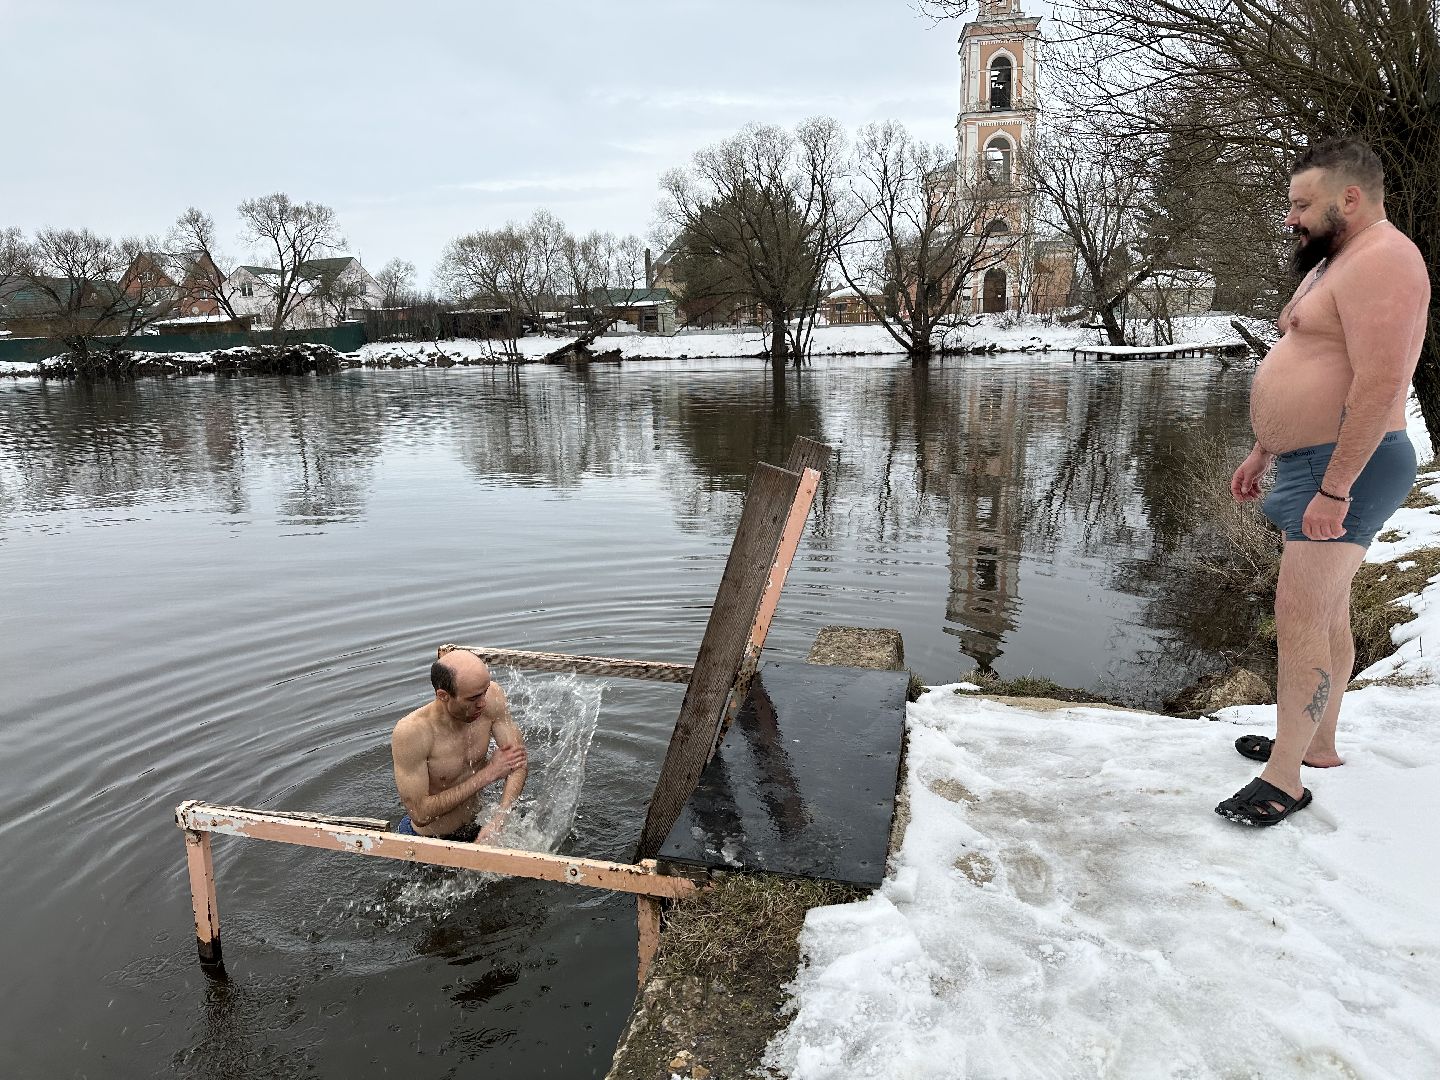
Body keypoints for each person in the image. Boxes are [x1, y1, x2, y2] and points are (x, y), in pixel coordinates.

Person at [1219, 136, 1430, 826]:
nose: (1291, 218)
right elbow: (1307, 356)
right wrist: (1264, 449)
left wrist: (1335, 489)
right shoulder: (1335, 261)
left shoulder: (1387, 260)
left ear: (1350, 197)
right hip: (1308, 460)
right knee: (1328, 613)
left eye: (1302, 204)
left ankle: (1285, 778)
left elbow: (1379, 385)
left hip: (1350, 464)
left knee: (1301, 616)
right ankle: (1317, 743)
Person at [391, 649, 528, 842]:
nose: (482, 703)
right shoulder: (412, 732)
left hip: (478, 824)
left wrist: (500, 818)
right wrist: (488, 774)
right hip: (431, 839)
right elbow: (420, 814)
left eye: (485, 691)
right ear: (443, 695)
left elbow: (518, 762)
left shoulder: (492, 697)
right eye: (473, 698)